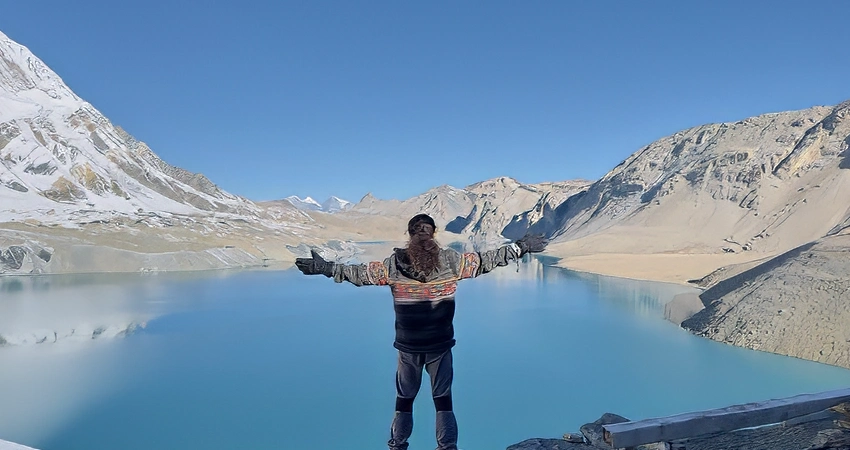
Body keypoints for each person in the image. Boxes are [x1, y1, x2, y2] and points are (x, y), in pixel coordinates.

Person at [294, 213, 547, 450]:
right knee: (443, 400)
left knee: (404, 401)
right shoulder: (452, 261)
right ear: (434, 233)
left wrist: (325, 268)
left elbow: (359, 274)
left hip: (408, 348)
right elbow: (486, 261)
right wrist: (520, 247)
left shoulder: (393, 265)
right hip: (440, 346)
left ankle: (398, 445)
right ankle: (447, 447)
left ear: (410, 234)